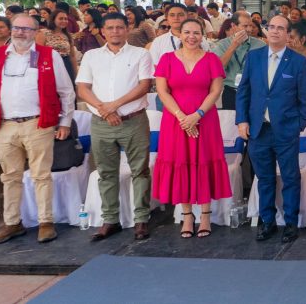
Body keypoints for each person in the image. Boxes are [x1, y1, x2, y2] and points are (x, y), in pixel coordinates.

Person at [0, 15, 75, 245]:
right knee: (9, 177)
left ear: (35, 32)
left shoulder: (47, 55)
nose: (20, 32)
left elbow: (66, 91)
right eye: (17, 28)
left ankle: (46, 222)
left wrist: (64, 122)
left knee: (41, 175)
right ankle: (12, 223)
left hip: (38, 123)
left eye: (26, 29)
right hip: (5, 126)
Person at [75, 13, 154, 241]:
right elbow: (83, 88)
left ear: (127, 29)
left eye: (120, 27)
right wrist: (104, 109)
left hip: (133, 120)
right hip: (101, 123)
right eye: (110, 28)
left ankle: (141, 220)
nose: (115, 32)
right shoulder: (91, 56)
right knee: (106, 172)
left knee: (140, 170)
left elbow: (143, 86)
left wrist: (114, 106)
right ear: (102, 31)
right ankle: (110, 220)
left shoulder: (141, 54)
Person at [236, 15, 306, 243]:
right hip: (258, 130)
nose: (275, 31)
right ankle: (267, 221)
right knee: (264, 177)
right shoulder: (254, 57)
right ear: (266, 30)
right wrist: (242, 121)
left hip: (286, 130)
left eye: (281, 28)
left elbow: (304, 99)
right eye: (272, 27)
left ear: (288, 34)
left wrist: (299, 124)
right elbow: (244, 92)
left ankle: (290, 222)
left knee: (290, 177)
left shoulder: (298, 62)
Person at [153, 18, 231, 238]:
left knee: (203, 161)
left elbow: (215, 91)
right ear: (179, 34)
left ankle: (205, 214)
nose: (191, 37)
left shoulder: (212, 59)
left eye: (196, 32)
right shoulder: (167, 59)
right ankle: (187, 216)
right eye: (187, 32)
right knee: (181, 163)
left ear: (203, 35)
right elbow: (162, 91)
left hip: (204, 119)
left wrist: (197, 115)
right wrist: (182, 117)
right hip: (175, 121)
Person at [212, 14, 266, 111]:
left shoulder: (260, 45)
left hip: (253, 91)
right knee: (231, 123)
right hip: (230, 91)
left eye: (251, 26)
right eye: (245, 26)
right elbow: (217, 68)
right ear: (233, 26)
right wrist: (234, 46)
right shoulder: (222, 44)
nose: (249, 30)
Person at [36, 9, 79, 83]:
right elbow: (35, 53)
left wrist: (76, 75)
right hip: (49, 66)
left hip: (66, 65)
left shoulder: (68, 36)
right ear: (53, 19)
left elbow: (72, 56)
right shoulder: (43, 33)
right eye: (61, 18)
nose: (64, 21)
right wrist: (33, 71)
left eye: (66, 19)